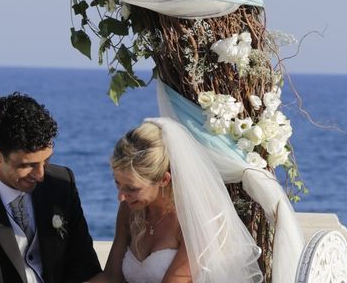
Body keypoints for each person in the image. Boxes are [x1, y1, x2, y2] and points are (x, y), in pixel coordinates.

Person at [0, 92, 102, 283]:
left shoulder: (62, 184)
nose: (40, 175)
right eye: (27, 165)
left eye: (46, 161)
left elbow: (85, 266)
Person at [89, 118, 263, 283]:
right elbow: (111, 277)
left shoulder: (196, 220)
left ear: (164, 179)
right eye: (117, 183)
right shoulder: (129, 209)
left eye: (132, 188)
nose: (120, 196)